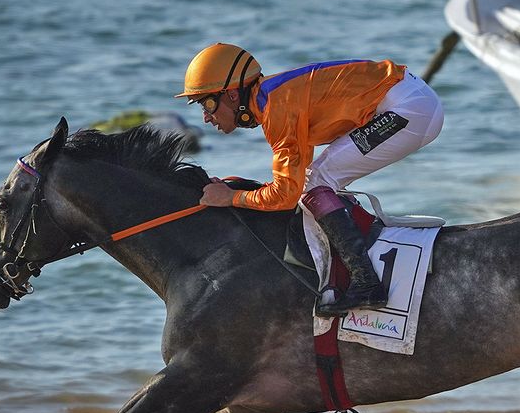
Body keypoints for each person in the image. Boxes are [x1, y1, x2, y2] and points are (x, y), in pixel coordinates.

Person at [176, 43, 445, 317]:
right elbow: (290, 185)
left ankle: (366, 283)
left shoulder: (277, 108)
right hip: (409, 100)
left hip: (409, 109)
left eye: (207, 103)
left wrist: (230, 197)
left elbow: (285, 196)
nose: (206, 117)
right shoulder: (273, 99)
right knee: (314, 181)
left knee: (317, 182)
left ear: (232, 95)